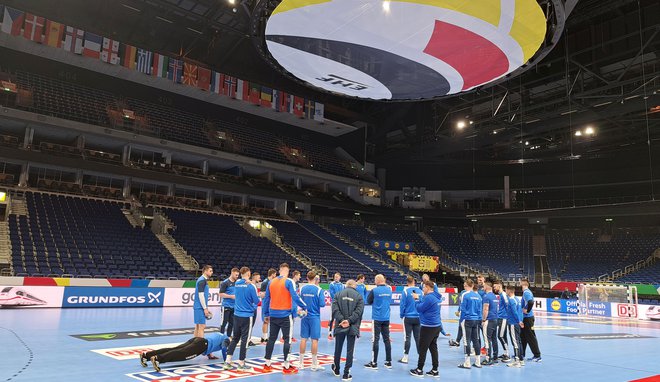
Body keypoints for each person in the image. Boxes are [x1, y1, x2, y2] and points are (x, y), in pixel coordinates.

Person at [262, 263, 307, 374]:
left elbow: (266, 300)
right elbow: (295, 296)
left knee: (272, 339)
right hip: (285, 315)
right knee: (287, 339)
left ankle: (267, 364)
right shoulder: (289, 281)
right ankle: (286, 366)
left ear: (279, 270)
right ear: (287, 271)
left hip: (273, 314)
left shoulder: (271, 282)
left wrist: (265, 314)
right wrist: (305, 306)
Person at [409, 280, 450, 377]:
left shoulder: (429, 298)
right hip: (436, 326)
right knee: (433, 348)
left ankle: (419, 369)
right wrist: (420, 298)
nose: (422, 289)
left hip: (428, 326)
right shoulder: (436, 297)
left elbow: (419, 309)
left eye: (423, 287)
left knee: (423, 348)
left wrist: (416, 299)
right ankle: (435, 370)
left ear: (427, 287)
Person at [224, 267, 260, 371]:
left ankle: (227, 362)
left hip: (237, 315)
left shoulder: (237, 283)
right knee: (245, 340)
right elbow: (256, 301)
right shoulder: (251, 286)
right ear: (249, 273)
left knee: (235, 338)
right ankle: (241, 363)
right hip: (246, 316)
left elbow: (240, 286)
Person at [140, 333, 229, 372]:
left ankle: (146, 356)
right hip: (201, 345)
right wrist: (227, 361)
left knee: (173, 349)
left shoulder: (221, 335)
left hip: (198, 340)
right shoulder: (227, 340)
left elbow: (213, 342)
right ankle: (157, 359)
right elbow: (224, 348)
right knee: (181, 354)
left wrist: (210, 355)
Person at [331, 279, 365, 382]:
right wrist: (349, 321)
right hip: (352, 326)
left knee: (338, 348)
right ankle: (346, 373)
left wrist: (342, 320)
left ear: (346, 285)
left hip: (340, 325)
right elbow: (359, 312)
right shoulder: (359, 297)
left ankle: (336, 369)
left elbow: (335, 310)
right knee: (350, 350)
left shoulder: (338, 295)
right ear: (355, 286)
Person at [298, 271, 327, 371]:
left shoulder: (302, 288)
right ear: (316, 278)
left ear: (307, 278)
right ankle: (314, 364)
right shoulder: (319, 290)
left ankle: (301, 363)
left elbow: (300, 301)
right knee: (314, 340)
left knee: (303, 339)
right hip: (314, 317)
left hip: (304, 316)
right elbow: (322, 304)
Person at [364, 274, 393, 370]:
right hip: (386, 318)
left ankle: (374, 362)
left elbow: (368, 301)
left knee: (375, 340)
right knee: (386, 339)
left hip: (377, 318)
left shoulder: (374, 290)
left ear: (377, 281)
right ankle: (388, 362)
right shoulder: (389, 290)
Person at [458, 279, 482, 369]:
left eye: (464, 285)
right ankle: (478, 362)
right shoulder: (478, 296)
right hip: (476, 320)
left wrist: (461, 321)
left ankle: (467, 363)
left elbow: (462, 309)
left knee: (466, 340)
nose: (464, 287)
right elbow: (479, 310)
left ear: (468, 286)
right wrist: (479, 320)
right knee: (476, 340)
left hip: (467, 319)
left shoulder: (465, 294)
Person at [399, 276, 422, 364]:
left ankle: (405, 357)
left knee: (407, 337)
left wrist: (401, 315)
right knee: (418, 337)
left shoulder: (405, 291)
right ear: (414, 282)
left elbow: (402, 305)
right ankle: (420, 356)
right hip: (418, 317)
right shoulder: (420, 291)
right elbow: (422, 302)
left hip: (408, 317)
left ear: (407, 282)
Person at [520, 279, 542, 362]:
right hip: (525, 318)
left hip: (528, 318)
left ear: (523, 284)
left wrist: (527, 310)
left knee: (531, 337)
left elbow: (531, 302)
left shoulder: (526, 292)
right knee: (523, 337)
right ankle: (521, 354)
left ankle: (537, 355)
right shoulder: (526, 292)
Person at [505, 285, 525, 368]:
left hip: (513, 323)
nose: (505, 291)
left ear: (509, 291)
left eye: (506, 290)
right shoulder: (517, 299)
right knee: (518, 341)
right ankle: (521, 360)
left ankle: (517, 361)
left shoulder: (511, 300)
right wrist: (521, 320)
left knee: (515, 341)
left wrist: (519, 321)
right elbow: (520, 312)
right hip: (517, 322)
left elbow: (514, 312)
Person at [481, 282, 499, 365]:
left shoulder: (486, 296)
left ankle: (488, 358)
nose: (483, 287)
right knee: (494, 338)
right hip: (495, 319)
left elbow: (485, 309)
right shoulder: (494, 296)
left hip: (489, 320)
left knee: (487, 339)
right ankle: (495, 357)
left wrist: (483, 319)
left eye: (484, 285)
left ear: (487, 286)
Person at [493, 281, 510, 362]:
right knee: (503, 336)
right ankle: (505, 353)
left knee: (500, 336)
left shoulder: (503, 294)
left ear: (499, 286)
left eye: (495, 286)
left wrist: (508, 317)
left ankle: (507, 354)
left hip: (504, 318)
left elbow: (508, 305)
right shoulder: (500, 295)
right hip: (500, 317)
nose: (494, 288)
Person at [219, 268, 239, 337]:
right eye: (236, 275)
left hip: (234, 306)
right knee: (224, 323)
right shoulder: (225, 282)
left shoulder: (237, 283)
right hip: (226, 305)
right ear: (232, 273)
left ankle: (228, 337)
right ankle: (220, 337)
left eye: (238, 275)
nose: (237, 276)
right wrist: (231, 296)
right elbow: (221, 294)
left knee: (232, 323)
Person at [449, 281, 470, 347]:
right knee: (460, 327)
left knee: (468, 330)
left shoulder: (471, 293)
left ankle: (469, 345)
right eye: (464, 285)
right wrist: (458, 310)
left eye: (465, 285)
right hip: (462, 313)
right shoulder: (462, 292)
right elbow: (461, 303)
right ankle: (457, 341)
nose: (464, 287)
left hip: (468, 315)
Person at [259, 268, 277, 344]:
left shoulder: (271, 282)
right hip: (266, 304)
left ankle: (264, 337)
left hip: (271, 304)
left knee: (269, 321)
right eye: (275, 274)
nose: (276, 276)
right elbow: (262, 295)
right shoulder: (265, 282)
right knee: (266, 321)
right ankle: (265, 338)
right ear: (272, 274)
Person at [286, 270, 302, 344]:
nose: (300, 277)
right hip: (289, 304)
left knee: (293, 321)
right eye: (299, 275)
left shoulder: (297, 284)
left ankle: (290, 335)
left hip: (294, 305)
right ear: (295, 275)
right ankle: (284, 336)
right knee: (288, 321)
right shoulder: (290, 283)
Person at [328, 273, 345, 339]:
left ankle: (338, 332)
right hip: (334, 303)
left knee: (340, 317)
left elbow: (343, 294)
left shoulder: (342, 285)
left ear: (340, 277)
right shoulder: (332, 284)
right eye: (335, 277)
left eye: (337, 277)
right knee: (332, 317)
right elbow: (332, 294)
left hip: (341, 304)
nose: (336, 278)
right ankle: (329, 332)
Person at [248, 272, 262, 346]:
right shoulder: (252, 285)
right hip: (252, 308)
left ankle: (247, 338)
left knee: (250, 325)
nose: (259, 279)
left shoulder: (253, 285)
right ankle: (248, 340)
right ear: (255, 277)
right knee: (250, 325)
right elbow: (255, 299)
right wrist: (258, 298)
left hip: (253, 307)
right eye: (258, 277)